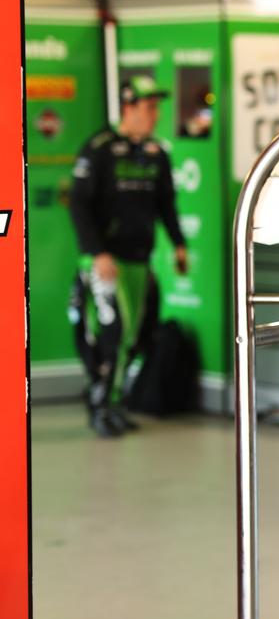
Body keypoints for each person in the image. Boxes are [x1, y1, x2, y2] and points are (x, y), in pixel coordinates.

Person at [69, 75, 188, 438]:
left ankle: (114, 402)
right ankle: (100, 404)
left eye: (157, 108)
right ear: (128, 108)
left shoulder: (157, 153)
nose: (155, 116)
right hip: (105, 262)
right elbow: (78, 204)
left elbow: (166, 203)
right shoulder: (99, 149)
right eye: (148, 108)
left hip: (140, 260)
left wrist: (179, 243)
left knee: (134, 336)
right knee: (111, 334)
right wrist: (97, 253)